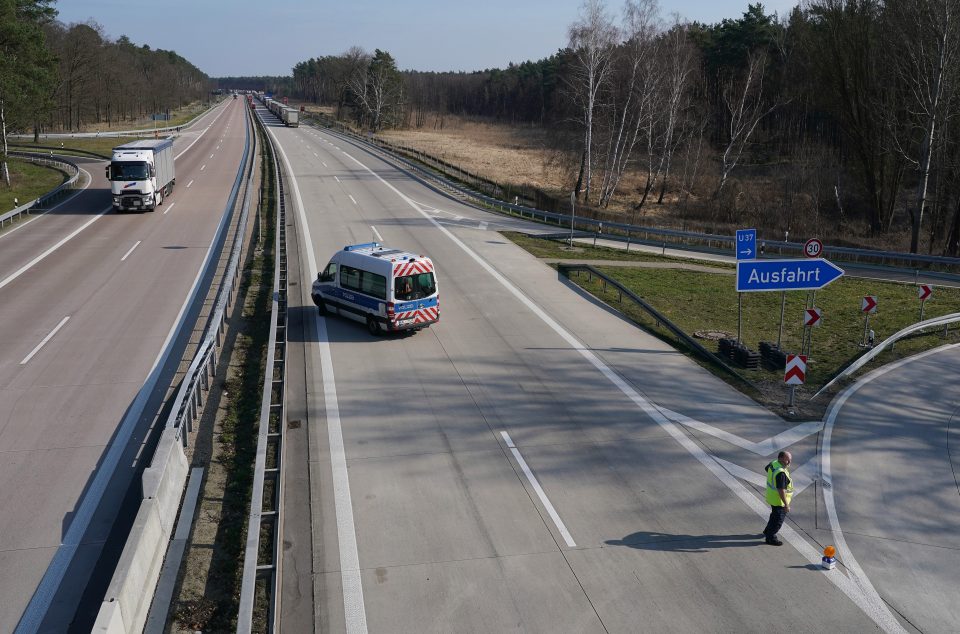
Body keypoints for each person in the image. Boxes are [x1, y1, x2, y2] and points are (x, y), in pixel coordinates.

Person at [762, 451, 793, 546]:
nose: (789, 462)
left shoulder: (774, 463)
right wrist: (786, 505)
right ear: (781, 458)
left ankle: (767, 531)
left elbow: (766, 468)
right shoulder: (781, 473)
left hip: (772, 497)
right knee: (778, 520)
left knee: (774, 516)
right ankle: (770, 538)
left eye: (790, 460)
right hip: (779, 501)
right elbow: (781, 491)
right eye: (787, 460)